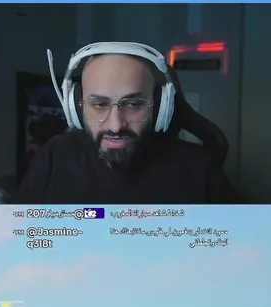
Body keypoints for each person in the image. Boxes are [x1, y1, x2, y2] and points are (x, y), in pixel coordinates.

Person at [14, 51, 241, 205]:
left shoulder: (199, 167)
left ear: (159, 106)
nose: (115, 126)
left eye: (133, 105)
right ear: (76, 107)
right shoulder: (55, 156)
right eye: (99, 104)